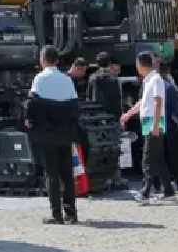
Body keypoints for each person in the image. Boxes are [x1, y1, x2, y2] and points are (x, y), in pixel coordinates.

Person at [25, 45, 82, 224]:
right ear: (57, 60)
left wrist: (30, 121)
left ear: (42, 60)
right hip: (65, 133)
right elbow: (75, 106)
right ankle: (71, 213)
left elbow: (31, 104)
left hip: (47, 133)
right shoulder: (67, 80)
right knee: (67, 174)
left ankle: (56, 214)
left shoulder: (39, 79)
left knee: (51, 174)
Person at [122, 51, 174, 204]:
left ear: (140, 64)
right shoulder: (148, 80)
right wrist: (128, 113)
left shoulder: (156, 79)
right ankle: (168, 190)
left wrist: (156, 125)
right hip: (150, 122)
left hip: (154, 122)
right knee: (157, 158)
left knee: (148, 158)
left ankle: (145, 192)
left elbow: (158, 102)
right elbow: (143, 102)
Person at [86, 52, 124, 189]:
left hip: (96, 118)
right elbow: (118, 101)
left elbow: (89, 99)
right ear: (110, 64)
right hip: (111, 118)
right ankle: (116, 180)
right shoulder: (114, 79)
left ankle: (99, 179)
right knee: (115, 148)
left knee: (97, 149)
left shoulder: (92, 78)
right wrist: (120, 118)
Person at [158, 59, 178, 193]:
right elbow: (177, 108)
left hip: (154, 125)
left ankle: (157, 185)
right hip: (169, 125)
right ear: (168, 71)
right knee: (175, 156)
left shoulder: (149, 85)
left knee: (158, 157)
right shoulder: (168, 87)